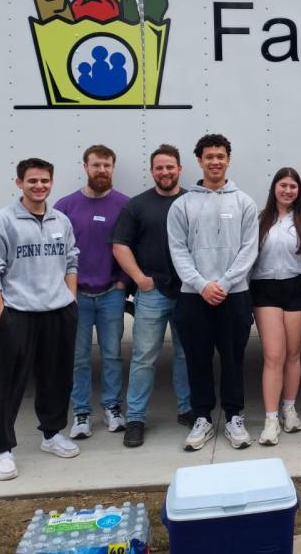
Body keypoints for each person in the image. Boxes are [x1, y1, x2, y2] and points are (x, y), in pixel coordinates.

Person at [0, 158, 80, 481]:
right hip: (17, 313)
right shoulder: (2, 222)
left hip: (58, 312)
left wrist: (70, 298)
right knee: (8, 383)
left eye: (45, 181)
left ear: (51, 182)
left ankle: (51, 434)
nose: (39, 186)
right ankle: (1, 450)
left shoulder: (61, 220)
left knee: (56, 378)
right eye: (32, 181)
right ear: (19, 183)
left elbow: (71, 260)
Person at [169, 134, 259, 451]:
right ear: (200, 161)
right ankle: (203, 418)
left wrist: (224, 283)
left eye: (220, 156)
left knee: (234, 360)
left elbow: (250, 249)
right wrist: (201, 284)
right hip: (195, 296)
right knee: (197, 359)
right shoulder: (182, 204)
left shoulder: (244, 202)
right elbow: (178, 250)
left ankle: (234, 417)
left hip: (234, 295)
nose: (215, 161)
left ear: (228, 160)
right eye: (209, 157)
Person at [112, 144, 193, 449]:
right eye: (159, 167)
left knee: (187, 354)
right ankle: (136, 419)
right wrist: (139, 279)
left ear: (180, 169)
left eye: (170, 167)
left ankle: (187, 409)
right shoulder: (137, 205)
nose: (165, 172)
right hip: (152, 293)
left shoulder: (192, 202)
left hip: (187, 292)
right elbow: (120, 245)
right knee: (144, 358)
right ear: (152, 171)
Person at [54, 145, 130, 439]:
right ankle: (81, 413)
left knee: (112, 355)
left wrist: (123, 281)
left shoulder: (124, 204)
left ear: (113, 168)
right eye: (96, 165)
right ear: (85, 167)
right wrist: (65, 288)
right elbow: (56, 250)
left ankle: (113, 408)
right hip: (77, 296)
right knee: (79, 357)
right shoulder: (65, 206)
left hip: (112, 293)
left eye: (107, 165)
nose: (102, 170)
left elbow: (132, 246)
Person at [249, 167, 301, 445]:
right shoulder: (259, 220)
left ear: (298, 191)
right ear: (274, 188)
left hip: (296, 289)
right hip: (265, 290)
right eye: (283, 185)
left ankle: (289, 408)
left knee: (293, 354)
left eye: (293, 187)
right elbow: (247, 258)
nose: (288, 191)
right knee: (273, 355)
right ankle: (271, 418)